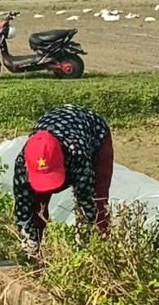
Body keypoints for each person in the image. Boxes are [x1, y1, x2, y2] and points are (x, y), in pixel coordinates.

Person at [14, 105, 113, 257]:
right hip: (60, 127)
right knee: (36, 205)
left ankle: (100, 254)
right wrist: (29, 248)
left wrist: (84, 252)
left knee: (98, 204)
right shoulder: (22, 164)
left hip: (95, 132)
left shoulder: (77, 154)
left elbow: (88, 205)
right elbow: (23, 212)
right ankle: (35, 255)